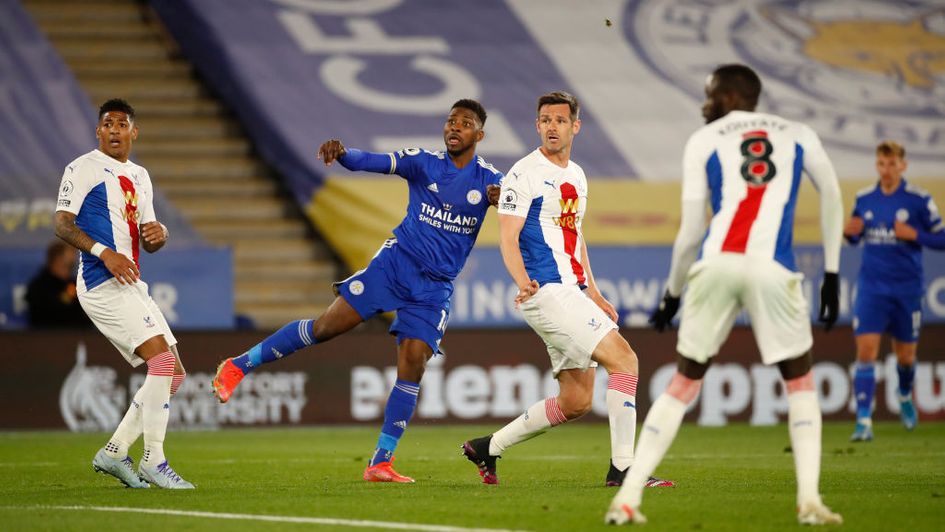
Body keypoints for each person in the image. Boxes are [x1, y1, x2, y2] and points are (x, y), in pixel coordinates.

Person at [212, 99, 502, 483]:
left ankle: (380, 462)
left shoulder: (491, 181)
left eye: (464, 123)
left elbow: (522, 210)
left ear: (479, 135)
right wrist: (345, 155)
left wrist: (507, 202)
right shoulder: (424, 163)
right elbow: (376, 161)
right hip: (396, 265)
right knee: (326, 328)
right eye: (450, 121)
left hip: (434, 288)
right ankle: (237, 366)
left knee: (414, 361)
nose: (454, 127)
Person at [606, 64, 844, 526]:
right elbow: (831, 193)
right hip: (773, 267)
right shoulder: (799, 133)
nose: (705, 103)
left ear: (734, 95)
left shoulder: (704, 140)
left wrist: (672, 292)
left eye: (711, 94)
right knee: (800, 382)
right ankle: (810, 501)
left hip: (716, 263)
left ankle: (627, 498)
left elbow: (691, 228)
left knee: (682, 383)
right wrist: (831, 271)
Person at [460, 91, 673, 489]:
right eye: (544, 120)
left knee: (576, 401)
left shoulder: (576, 174)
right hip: (547, 291)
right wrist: (523, 282)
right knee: (625, 360)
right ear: (537, 125)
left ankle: (488, 446)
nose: (551, 126)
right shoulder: (523, 174)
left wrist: (593, 291)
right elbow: (508, 238)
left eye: (559, 120)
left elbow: (574, 236)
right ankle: (624, 469)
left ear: (575, 126)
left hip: (572, 292)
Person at [54, 98, 193, 489]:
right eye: (107, 124)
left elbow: (149, 238)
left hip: (130, 281)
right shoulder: (82, 168)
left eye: (122, 124)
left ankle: (114, 452)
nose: (114, 130)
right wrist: (104, 252)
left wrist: (160, 235)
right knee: (162, 366)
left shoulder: (141, 175)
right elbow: (62, 224)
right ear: (98, 132)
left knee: (175, 375)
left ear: (134, 132)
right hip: (101, 281)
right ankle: (154, 460)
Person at [844, 141, 945, 442]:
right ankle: (863, 420)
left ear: (903, 165)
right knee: (866, 352)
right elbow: (855, 236)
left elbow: (942, 239)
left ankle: (903, 395)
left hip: (906, 289)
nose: (885, 170)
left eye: (891, 164)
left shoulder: (918, 200)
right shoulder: (864, 198)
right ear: (876, 165)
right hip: (871, 288)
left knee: (905, 357)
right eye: (881, 164)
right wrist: (850, 234)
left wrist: (914, 234)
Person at [25, 240, 92, 328]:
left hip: (78, 337)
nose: (75, 256)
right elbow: (43, 314)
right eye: (71, 251)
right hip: (47, 337)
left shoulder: (76, 285)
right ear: (57, 258)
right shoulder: (39, 286)